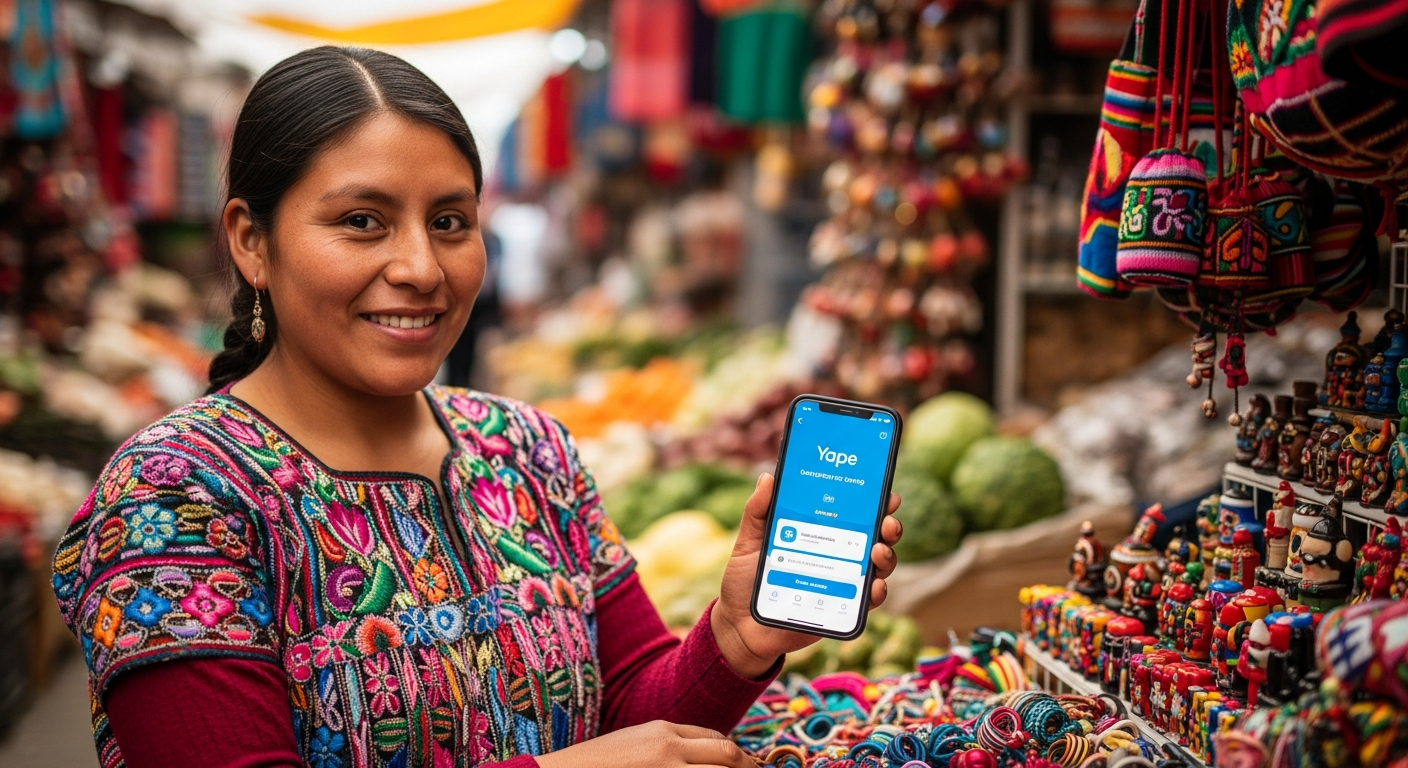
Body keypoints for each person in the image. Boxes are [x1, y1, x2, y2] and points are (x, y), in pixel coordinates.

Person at [52, 47, 904, 768]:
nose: (423, 266)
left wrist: (735, 638)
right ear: (250, 240)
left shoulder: (526, 448)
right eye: (362, 220)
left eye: (451, 221)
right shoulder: (175, 494)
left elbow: (636, 715)